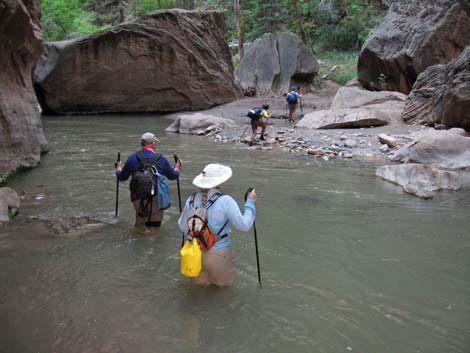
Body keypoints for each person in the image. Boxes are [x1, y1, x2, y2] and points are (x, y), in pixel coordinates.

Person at [178, 163, 256, 287]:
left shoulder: (191, 199)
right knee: (223, 296)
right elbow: (244, 225)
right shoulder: (225, 201)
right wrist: (250, 202)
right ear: (220, 183)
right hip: (219, 255)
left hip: (195, 254)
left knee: (198, 295)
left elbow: (182, 227)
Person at [115, 132, 182, 235]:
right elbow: (173, 176)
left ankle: (140, 242)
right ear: (152, 143)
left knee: (140, 226)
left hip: (138, 197)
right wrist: (177, 168)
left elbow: (122, 177)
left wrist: (118, 168)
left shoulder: (132, 158)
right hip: (156, 197)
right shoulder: (161, 159)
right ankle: (153, 246)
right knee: (155, 227)